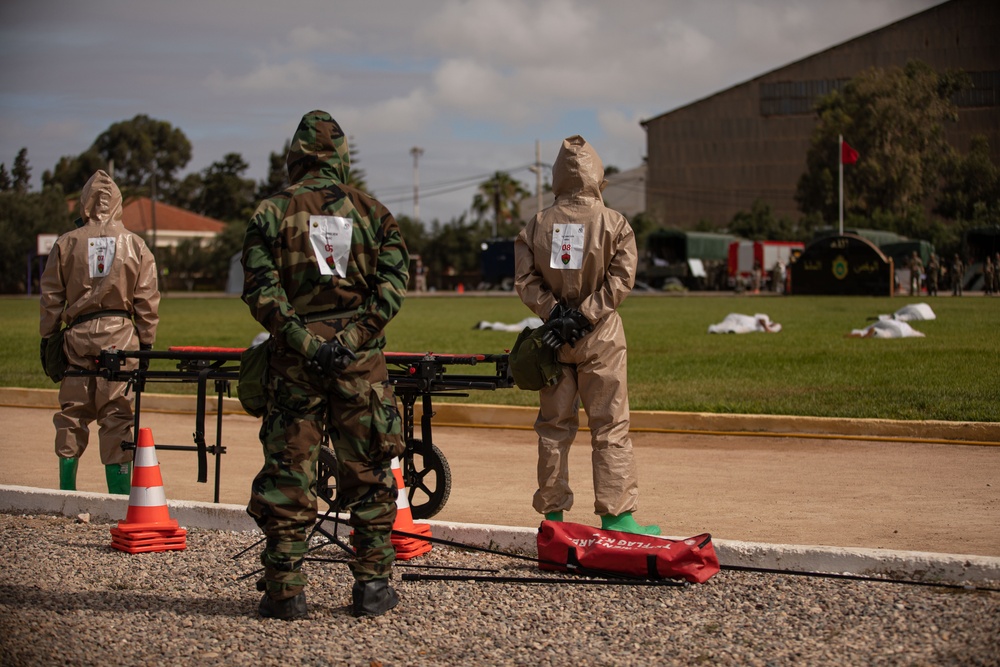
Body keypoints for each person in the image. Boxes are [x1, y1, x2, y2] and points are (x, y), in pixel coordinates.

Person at [241, 110, 409, 621]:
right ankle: (373, 588)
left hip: (295, 362)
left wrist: (307, 343)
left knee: (289, 472)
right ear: (341, 157)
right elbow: (393, 287)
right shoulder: (374, 212)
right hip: (360, 365)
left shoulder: (269, 213)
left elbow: (261, 291)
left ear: (294, 155)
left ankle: (286, 592)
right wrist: (352, 338)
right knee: (370, 471)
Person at [514, 135, 659, 537]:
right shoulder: (615, 224)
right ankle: (618, 517)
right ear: (597, 173)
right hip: (602, 339)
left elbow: (524, 279)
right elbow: (622, 278)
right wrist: (586, 315)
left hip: (554, 343)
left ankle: (553, 520)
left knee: (553, 428)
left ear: (558, 175)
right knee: (609, 426)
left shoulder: (537, 224)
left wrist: (555, 314)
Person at [39, 169, 160, 495]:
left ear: (84, 203)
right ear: (119, 203)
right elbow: (146, 301)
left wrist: (48, 336)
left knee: (72, 415)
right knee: (118, 418)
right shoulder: (135, 244)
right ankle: (118, 499)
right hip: (121, 342)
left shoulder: (66, 243)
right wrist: (146, 344)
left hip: (76, 340)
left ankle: (66, 493)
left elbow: (51, 298)